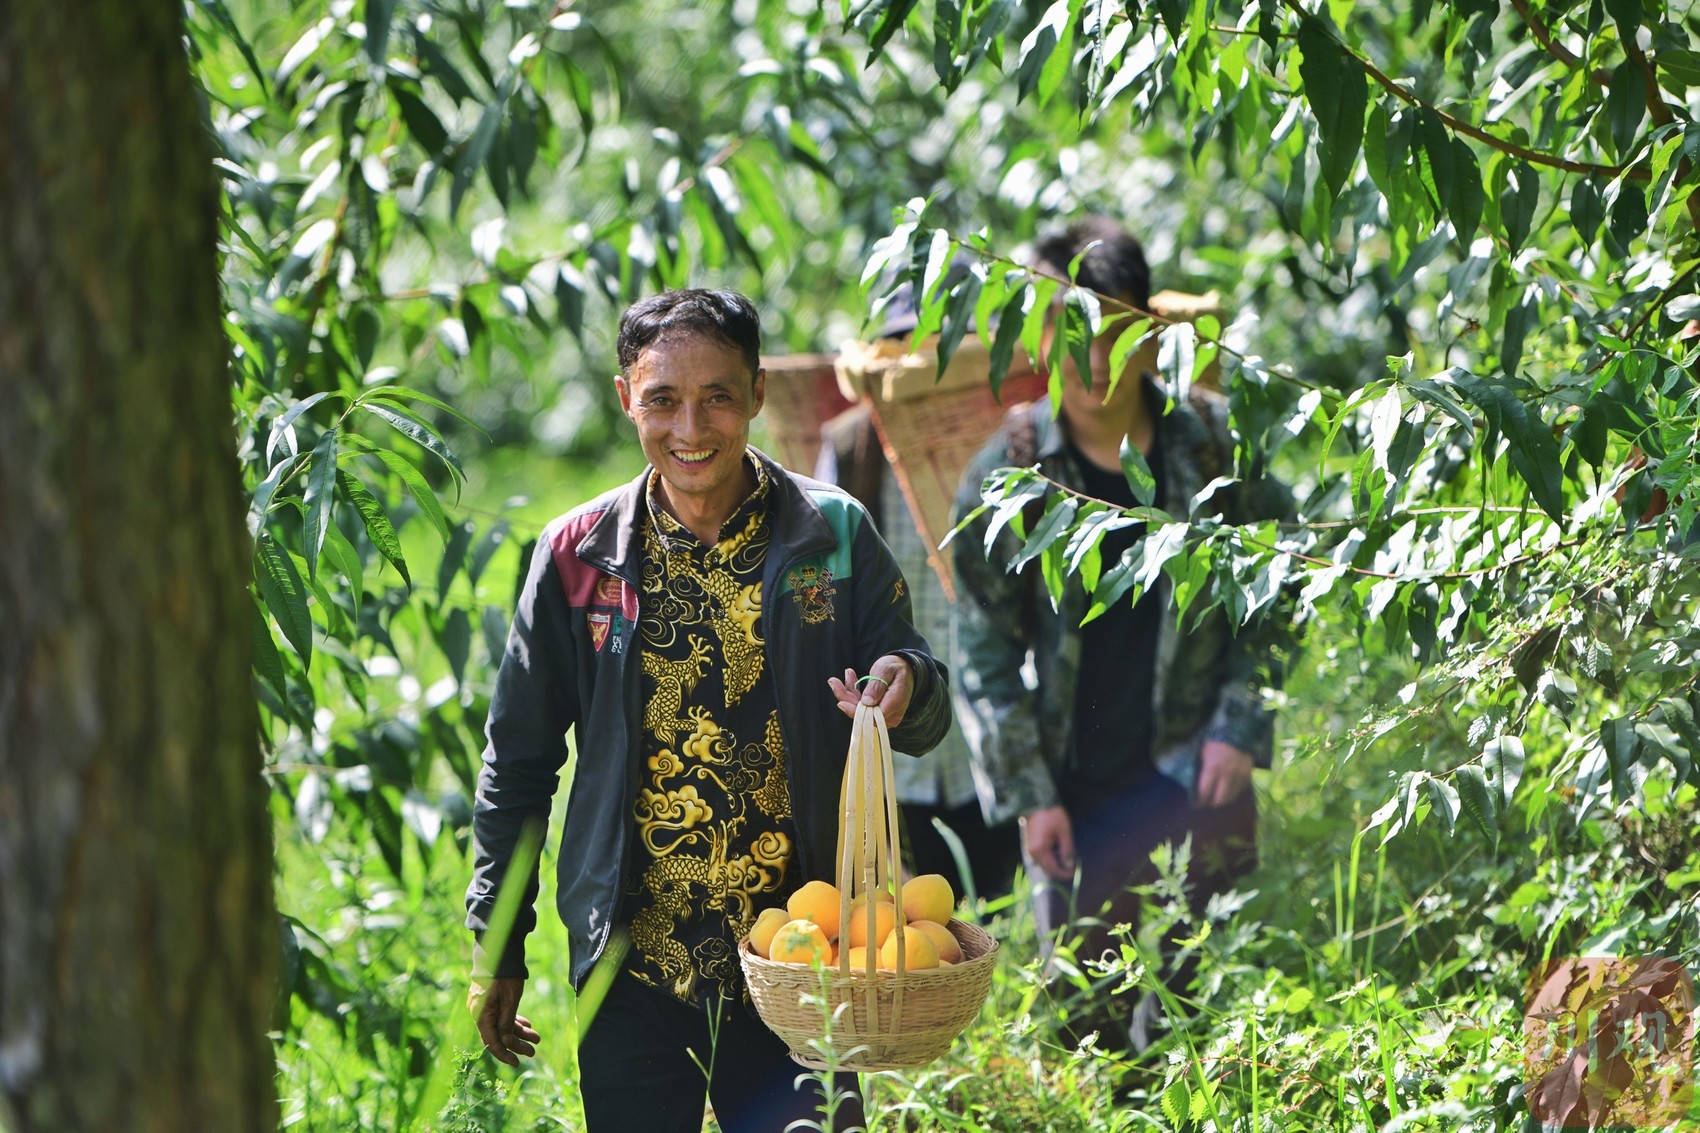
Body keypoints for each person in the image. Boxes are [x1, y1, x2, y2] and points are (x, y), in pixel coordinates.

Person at [465, 288, 952, 1133]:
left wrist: (902, 682)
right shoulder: (578, 555)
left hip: (803, 956)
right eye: (662, 399)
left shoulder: (832, 533)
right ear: (627, 398)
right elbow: (520, 759)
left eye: (718, 396)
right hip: (631, 965)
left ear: (758, 394)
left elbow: (921, 691)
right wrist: (496, 944)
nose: (691, 426)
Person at [950, 218, 1285, 1056]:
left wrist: (1240, 729)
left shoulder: (1215, 448)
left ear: (1149, 325)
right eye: (1065, 331)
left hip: (1197, 778)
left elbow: (1279, 592)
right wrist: (1030, 796)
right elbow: (982, 650)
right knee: (1083, 1030)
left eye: (1111, 329)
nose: (1092, 357)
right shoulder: (1010, 475)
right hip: (1077, 795)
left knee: (1198, 1029)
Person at [816, 286, 1021, 905]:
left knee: (999, 922)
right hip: (902, 747)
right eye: (905, 343)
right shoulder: (853, 448)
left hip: (992, 736)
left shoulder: (1011, 441)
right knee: (912, 929)